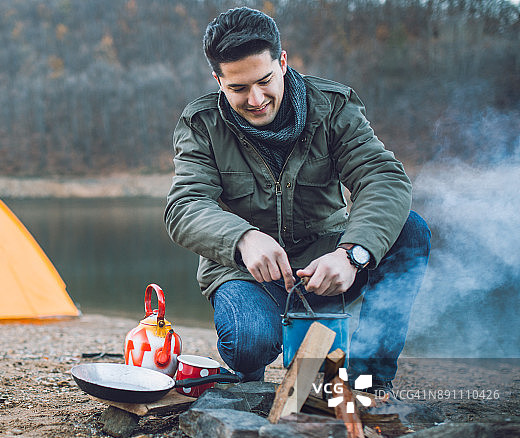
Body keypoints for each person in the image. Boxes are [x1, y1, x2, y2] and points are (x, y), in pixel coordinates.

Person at [164, 7, 431, 393]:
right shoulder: (201, 123)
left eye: (265, 81)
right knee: (248, 343)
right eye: (238, 88)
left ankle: (369, 381)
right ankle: (251, 381)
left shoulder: (333, 106)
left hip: (328, 259)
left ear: (282, 61)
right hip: (245, 271)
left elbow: (383, 178)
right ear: (217, 79)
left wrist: (352, 254)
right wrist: (243, 239)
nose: (255, 99)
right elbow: (184, 206)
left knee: (411, 231)